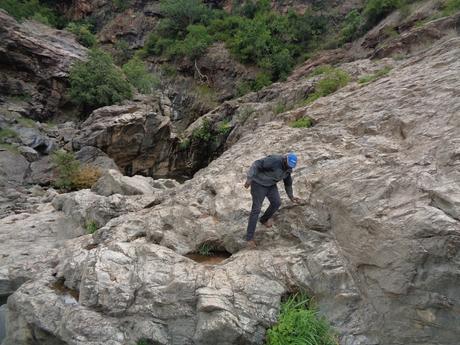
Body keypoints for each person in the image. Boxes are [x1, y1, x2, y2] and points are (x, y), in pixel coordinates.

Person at [244, 153, 301, 249]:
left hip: (270, 185)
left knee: (277, 202)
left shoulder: (288, 169)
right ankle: (249, 238)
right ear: (285, 159)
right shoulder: (274, 160)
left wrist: (291, 196)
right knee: (256, 209)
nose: (288, 167)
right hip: (258, 184)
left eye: (290, 166)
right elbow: (256, 164)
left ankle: (264, 219)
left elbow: (288, 183)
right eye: (287, 165)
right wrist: (249, 178)